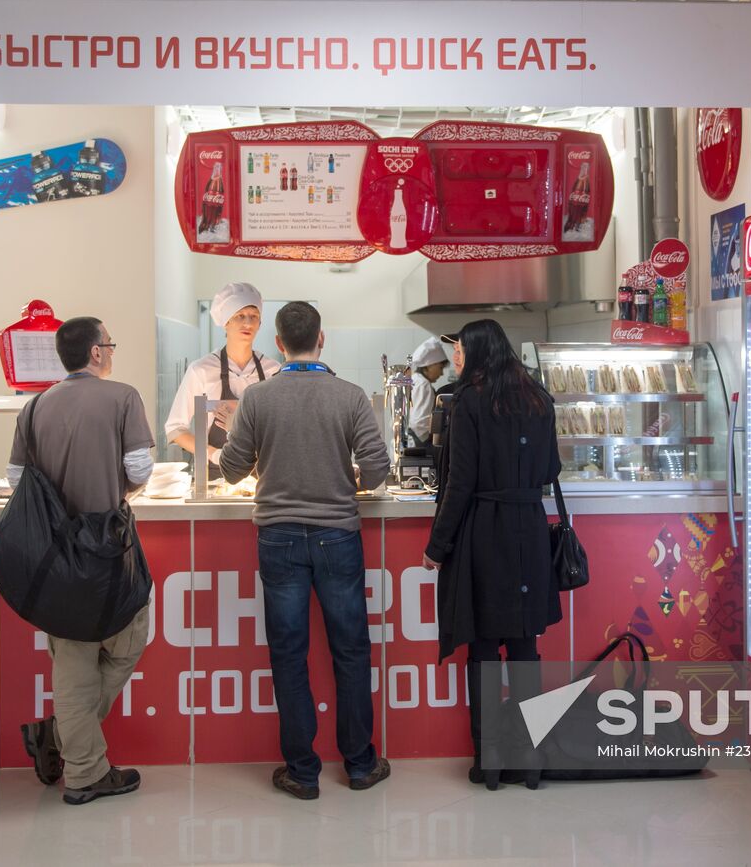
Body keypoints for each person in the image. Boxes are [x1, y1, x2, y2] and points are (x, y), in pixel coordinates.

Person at [220, 301, 391, 800]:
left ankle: (302, 771)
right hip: (338, 536)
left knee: (289, 656)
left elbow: (231, 468)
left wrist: (262, 463)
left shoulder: (257, 397)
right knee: (352, 653)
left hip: (278, 539)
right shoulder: (351, 395)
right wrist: (349, 481)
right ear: (322, 339)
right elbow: (377, 468)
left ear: (278, 343)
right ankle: (360, 764)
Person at [7, 316, 155, 805]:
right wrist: (116, 488)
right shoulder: (123, 397)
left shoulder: (35, 407)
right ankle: (77, 757)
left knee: (71, 662)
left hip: (55, 555)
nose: (110, 351)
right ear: (95, 353)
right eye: (108, 344)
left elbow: (15, 480)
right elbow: (140, 469)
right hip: (108, 545)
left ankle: (75, 755)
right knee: (133, 633)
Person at [422, 320, 561, 792]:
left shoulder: (469, 402)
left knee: (483, 650)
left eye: (459, 350)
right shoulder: (539, 399)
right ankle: (532, 762)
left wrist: (436, 547)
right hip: (530, 531)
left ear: (476, 352)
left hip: (483, 534)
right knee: (525, 649)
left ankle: (490, 763)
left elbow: (458, 485)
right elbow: (550, 469)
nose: (456, 358)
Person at [165, 282, 280, 479]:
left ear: (260, 324)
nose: (248, 323)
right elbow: (175, 430)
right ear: (226, 322)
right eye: (239, 316)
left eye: (254, 317)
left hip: (264, 477)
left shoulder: (273, 370)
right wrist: (213, 453)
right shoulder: (201, 370)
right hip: (215, 475)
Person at [408, 336, 448, 446]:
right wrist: (431, 442)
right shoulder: (423, 384)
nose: (441, 373)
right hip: (417, 441)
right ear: (430, 365)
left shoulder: (415, 379)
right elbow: (419, 423)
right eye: (440, 368)